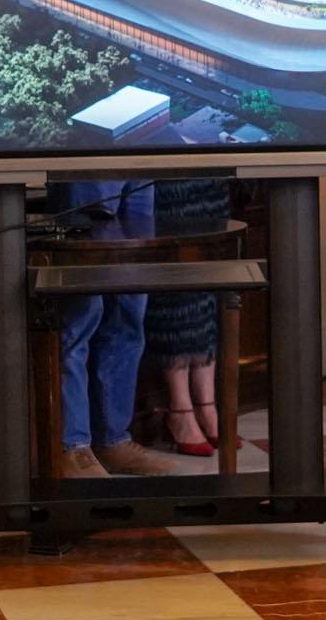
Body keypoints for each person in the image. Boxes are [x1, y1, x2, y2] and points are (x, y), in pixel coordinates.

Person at [55, 178, 180, 477]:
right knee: (81, 314)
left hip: (138, 153)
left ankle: (113, 442)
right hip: (86, 151)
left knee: (129, 311)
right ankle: (73, 446)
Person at [146, 177, 235, 454]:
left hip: (209, 167)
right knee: (177, 291)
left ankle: (206, 407)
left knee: (209, 283)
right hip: (163, 167)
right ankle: (179, 409)